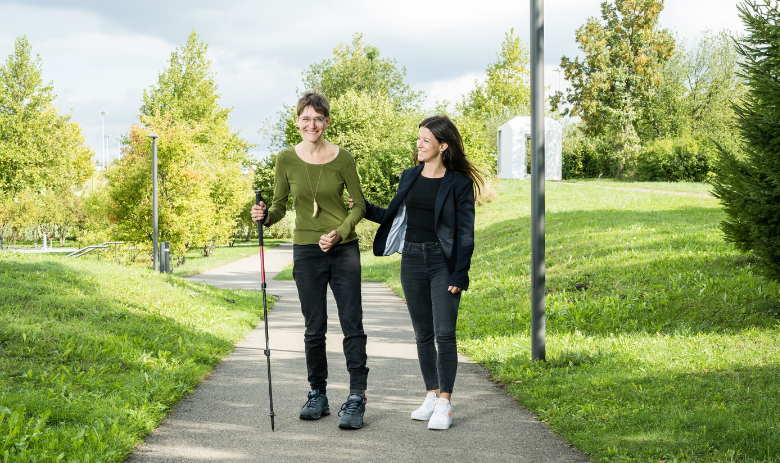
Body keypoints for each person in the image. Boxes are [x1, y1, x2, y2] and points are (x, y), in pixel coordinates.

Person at [251, 91, 369, 430]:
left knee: (351, 324)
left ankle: (357, 397)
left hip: (343, 249)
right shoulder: (285, 159)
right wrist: (265, 216)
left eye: (318, 118)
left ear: (326, 122)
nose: (312, 124)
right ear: (297, 121)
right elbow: (278, 205)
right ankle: (318, 393)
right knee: (314, 327)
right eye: (306, 118)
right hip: (305, 250)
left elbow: (360, 205)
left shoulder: (343, 158)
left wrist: (340, 232)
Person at [357, 114, 482, 430]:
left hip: (443, 262)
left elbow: (465, 232)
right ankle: (432, 395)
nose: (419, 144)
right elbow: (392, 215)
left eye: (426, 140)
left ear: (443, 145)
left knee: (444, 332)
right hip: (411, 259)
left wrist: (460, 273)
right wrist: (362, 206)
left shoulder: (459, 183)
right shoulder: (409, 176)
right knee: (423, 334)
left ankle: (445, 403)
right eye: (419, 139)